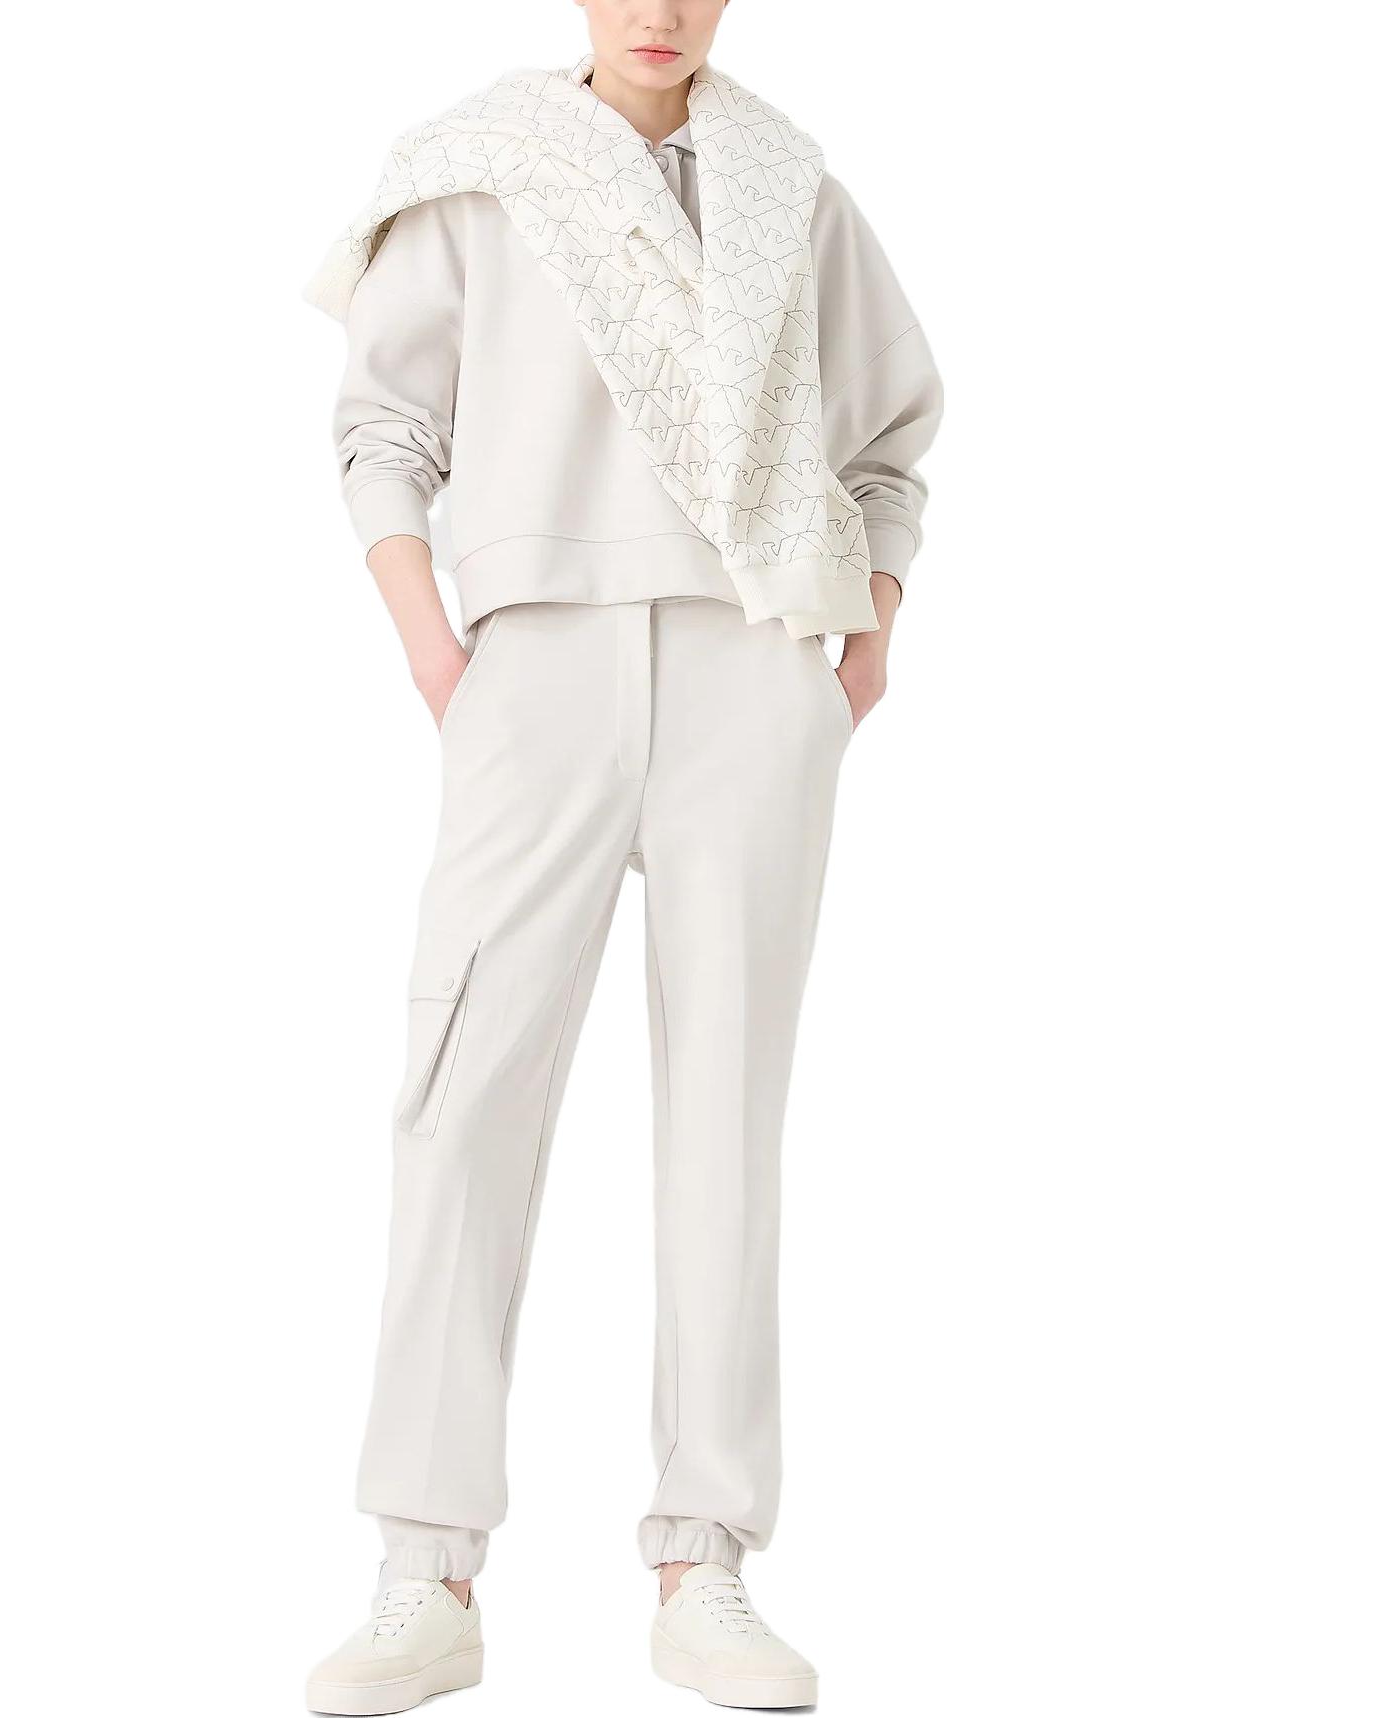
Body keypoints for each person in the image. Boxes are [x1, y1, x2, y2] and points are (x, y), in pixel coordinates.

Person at [301, 2, 940, 1709]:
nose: (658, 10)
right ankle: (425, 1566)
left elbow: (889, 435)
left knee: (726, 1107)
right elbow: (381, 425)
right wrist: (438, 655)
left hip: (755, 669)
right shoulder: (477, 171)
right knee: (461, 1091)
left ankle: (703, 1557)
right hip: (535, 669)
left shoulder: (791, 185)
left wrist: (865, 634)